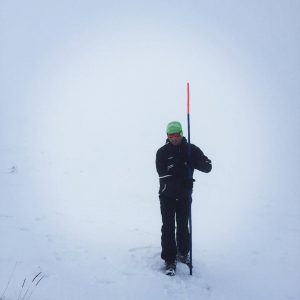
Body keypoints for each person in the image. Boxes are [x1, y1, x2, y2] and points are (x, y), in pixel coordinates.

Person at [155, 121, 212, 276]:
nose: (174, 138)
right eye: (170, 135)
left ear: (181, 133)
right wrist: (182, 177)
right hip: (167, 196)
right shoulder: (162, 152)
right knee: (168, 227)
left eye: (176, 135)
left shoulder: (190, 149)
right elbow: (163, 174)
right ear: (167, 136)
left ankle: (183, 253)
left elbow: (207, 167)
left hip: (184, 196)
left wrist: (194, 161)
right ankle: (169, 259)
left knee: (182, 227)